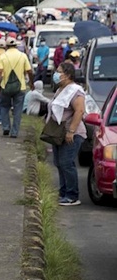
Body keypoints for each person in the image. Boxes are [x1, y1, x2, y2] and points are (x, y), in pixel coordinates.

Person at [47, 62, 87, 206]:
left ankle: (72, 195)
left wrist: (71, 131)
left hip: (72, 133)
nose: (56, 74)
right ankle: (63, 192)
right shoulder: (61, 89)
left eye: (59, 71)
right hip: (59, 132)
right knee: (58, 163)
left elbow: (79, 111)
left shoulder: (76, 91)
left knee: (66, 163)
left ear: (68, 75)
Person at [0, 37, 34, 138]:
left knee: (4, 107)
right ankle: (14, 132)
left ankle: (6, 127)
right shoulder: (23, 56)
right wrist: (31, 83)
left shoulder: (3, 56)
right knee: (18, 110)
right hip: (20, 86)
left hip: (5, 85)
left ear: (7, 46)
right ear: (16, 46)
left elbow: (0, 72)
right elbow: (29, 71)